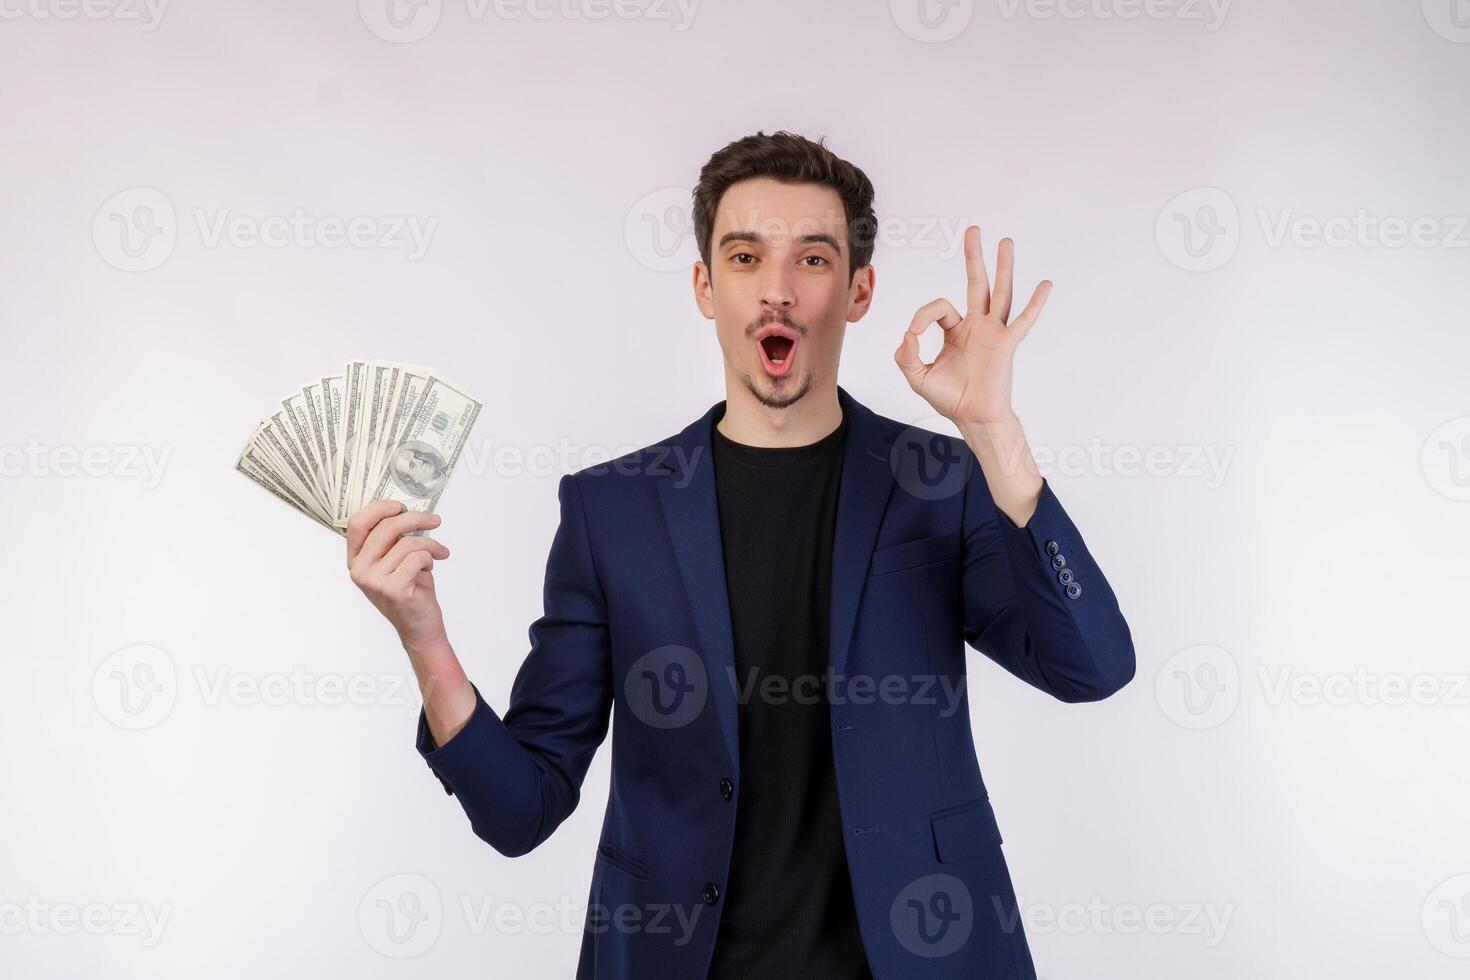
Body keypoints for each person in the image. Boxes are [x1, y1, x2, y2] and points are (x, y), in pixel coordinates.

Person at [345, 130, 1135, 979]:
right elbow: (520, 811)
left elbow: (1092, 668)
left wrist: (994, 436)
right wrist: (424, 639)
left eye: (814, 260)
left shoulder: (944, 481)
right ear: (705, 286)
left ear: (860, 291)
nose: (779, 292)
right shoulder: (612, 511)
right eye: (747, 257)